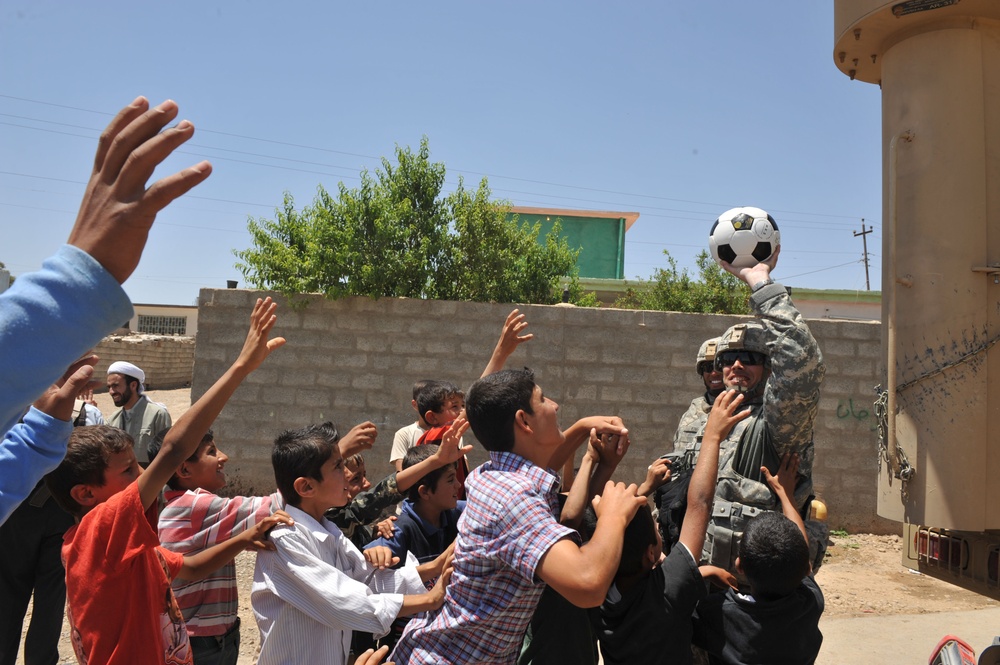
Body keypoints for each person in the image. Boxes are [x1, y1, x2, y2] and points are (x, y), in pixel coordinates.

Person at [0, 96, 211, 522]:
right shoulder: (105, 417)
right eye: (110, 382)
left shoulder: (155, 414)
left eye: (118, 383)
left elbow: (166, 454)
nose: (111, 388)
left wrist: (39, 438)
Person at [44, 297, 287, 665]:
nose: (141, 475)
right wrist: (240, 366)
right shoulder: (97, 535)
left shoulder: (130, 547)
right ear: (85, 493)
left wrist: (241, 540)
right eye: (127, 471)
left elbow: (189, 567)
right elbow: (172, 452)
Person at [390, 367, 646, 665]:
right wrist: (614, 516)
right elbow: (588, 585)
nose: (555, 405)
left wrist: (594, 453)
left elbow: (561, 518)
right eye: (543, 400)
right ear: (524, 421)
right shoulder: (513, 497)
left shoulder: (494, 475)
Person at [250, 422, 453, 665]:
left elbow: (370, 581)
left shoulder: (330, 532)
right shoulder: (286, 540)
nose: (345, 473)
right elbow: (343, 602)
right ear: (306, 487)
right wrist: (430, 599)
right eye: (338, 466)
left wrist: (436, 566)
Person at [591, 390, 750, 665]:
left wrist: (706, 570)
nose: (657, 524)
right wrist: (712, 437)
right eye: (655, 529)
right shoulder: (667, 589)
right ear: (651, 554)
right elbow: (699, 504)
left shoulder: (599, 593)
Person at [703, 249, 827, 572]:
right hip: (702, 586)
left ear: (769, 368)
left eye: (752, 358)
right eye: (729, 359)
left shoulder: (775, 423)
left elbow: (801, 362)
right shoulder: (705, 417)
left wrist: (761, 284)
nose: (738, 365)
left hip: (759, 591)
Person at [150, 426, 281, 665]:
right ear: (184, 469)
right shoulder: (193, 506)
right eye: (212, 452)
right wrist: (325, 460)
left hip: (211, 637)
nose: (223, 457)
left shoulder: (181, 506)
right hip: (203, 643)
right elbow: (273, 507)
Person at [0, 384, 103, 665]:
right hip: (31, 519)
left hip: (45, 519)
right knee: (25, 600)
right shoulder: (86, 414)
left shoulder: (13, 410)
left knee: (37, 602)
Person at [692, 452, 824, 664]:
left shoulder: (720, 613)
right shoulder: (809, 603)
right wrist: (786, 495)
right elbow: (803, 550)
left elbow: (671, 602)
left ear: (739, 565)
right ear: (806, 570)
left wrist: (705, 571)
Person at [107, 361, 173, 464]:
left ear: (133, 385)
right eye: (109, 387)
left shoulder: (157, 414)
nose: (111, 391)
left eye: (115, 386)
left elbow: (166, 454)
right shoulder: (112, 420)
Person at [390, 380, 436, 472]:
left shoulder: (449, 433)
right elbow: (401, 473)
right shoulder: (404, 434)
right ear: (415, 405)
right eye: (426, 402)